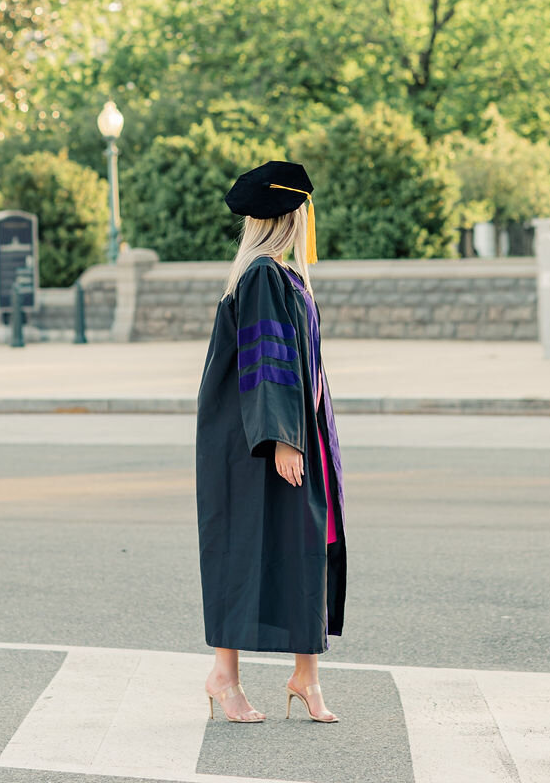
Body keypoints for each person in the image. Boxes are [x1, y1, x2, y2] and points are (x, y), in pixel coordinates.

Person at [196, 160, 346, 724]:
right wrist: (284, 439)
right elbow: (266, 363)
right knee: (241, 549)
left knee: (308, 541)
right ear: (291, 216)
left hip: (295, 435)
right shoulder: (261, 275)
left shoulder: (286, 276)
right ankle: (223, 677)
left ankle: (305, 675)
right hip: (254, 444)